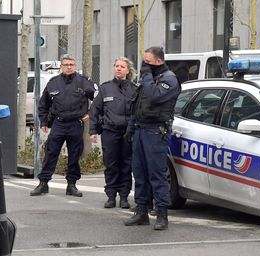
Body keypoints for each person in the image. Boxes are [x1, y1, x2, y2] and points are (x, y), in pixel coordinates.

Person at [124, 46, 180, 230]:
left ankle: (162, 213)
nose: (144, 66)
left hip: (156, 131)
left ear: (158, 61)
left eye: (147, 62)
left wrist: (147, 76)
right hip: (141, 129)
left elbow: (155, 97)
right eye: (143, 61)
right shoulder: (148, 79)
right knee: (139, 173)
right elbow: (137, 105)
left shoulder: (169, 80)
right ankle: (141, 211)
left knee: (157, 174)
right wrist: (131, 129)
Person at [30, 54, 97, 197]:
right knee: (51, 153)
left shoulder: (84, 82)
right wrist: (44, 122)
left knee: (74, 155)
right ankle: (43, 183)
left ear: (75, 66)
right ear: (61, 67)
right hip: (58, 124)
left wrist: (90, 113)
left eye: (71, 64)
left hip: (76, 124)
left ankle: (71, 185)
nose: (69, 67)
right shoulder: (53, 82)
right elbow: (44, 104)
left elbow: (98, 99)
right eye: (66, 65)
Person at [89, 57, 138, 209]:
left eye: (122, 66)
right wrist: (93, 130)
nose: (118, 69)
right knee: (111, 165)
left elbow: (138, 112)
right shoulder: (105, 88)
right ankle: (111, 196)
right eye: (116, 66)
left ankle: (124, 197)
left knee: (126, 165)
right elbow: (95, 110)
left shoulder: (135, 89)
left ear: (127, 70)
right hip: (110, 132)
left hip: (128, 134)